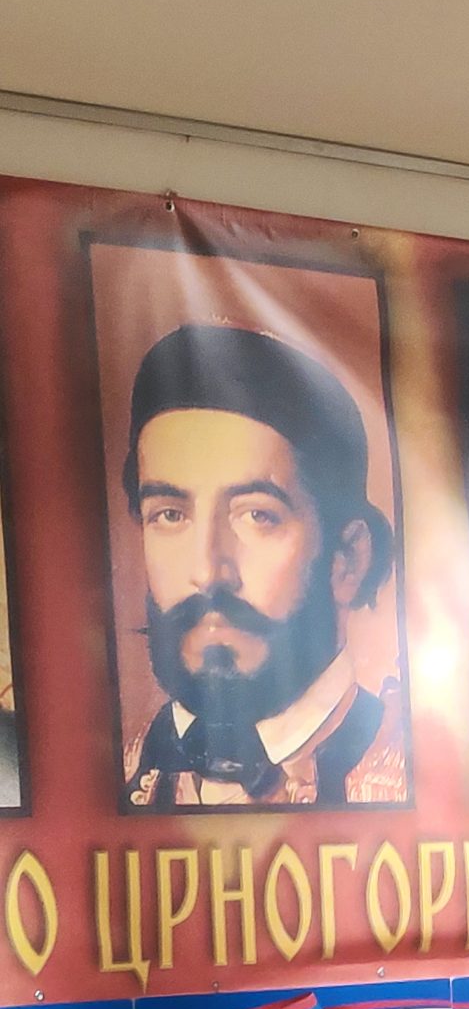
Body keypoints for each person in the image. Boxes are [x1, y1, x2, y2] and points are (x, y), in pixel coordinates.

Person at [121, 323, 406, 809]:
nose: (208, 572)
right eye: (170, 514)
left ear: (349, 560)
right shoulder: (127, 769)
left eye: (258, 516)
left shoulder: (406, 766)